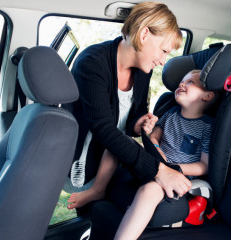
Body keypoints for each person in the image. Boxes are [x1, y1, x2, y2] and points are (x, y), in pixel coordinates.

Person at [66, 2, 191, 210]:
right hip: (87, 156)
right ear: (144, 35)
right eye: (163, 51)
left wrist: (138, 123)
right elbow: (103, 129)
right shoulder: (92, 63)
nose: (162, 61)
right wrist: (160, 171)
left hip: (117, 154)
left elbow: (135, 113)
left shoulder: (143, 69)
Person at [114, 69, 216, 240]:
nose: (182, 84)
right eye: (182, 81)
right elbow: (154, 137)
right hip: (154, 163)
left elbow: (204, 166)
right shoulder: (171, 113)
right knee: (119, 141)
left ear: (207, 96)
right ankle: (97, 190)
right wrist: (156, 148)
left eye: (190, 82)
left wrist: (174, 168)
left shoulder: (207, 126)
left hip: (177, 176)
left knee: (151, 190)